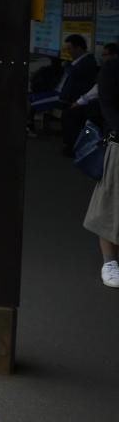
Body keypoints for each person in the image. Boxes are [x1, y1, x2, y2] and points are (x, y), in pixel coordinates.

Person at [83, 51, 119, 288]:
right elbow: (109, 107)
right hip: (118, 145)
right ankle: (110, 262)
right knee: (110, 204)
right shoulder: (112, 69)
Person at [28, 34, 99, 149]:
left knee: (33, 102)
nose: (68, 52)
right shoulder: (76, 62)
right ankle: (29, 124)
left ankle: (29, 126)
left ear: (78, 48)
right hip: (61, 93)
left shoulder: (86, 62)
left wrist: (66, 65)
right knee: (30, 98)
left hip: (66, 97)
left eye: (70, 49)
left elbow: (75, 73)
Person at [64, 42, 119, 153]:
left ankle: (79, 148)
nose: (103, 58)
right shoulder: (108, 68)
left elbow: (97, 90)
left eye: (106, 55)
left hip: (110, 114)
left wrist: (79, 102)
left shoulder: (108, 69)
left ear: (115, 55)